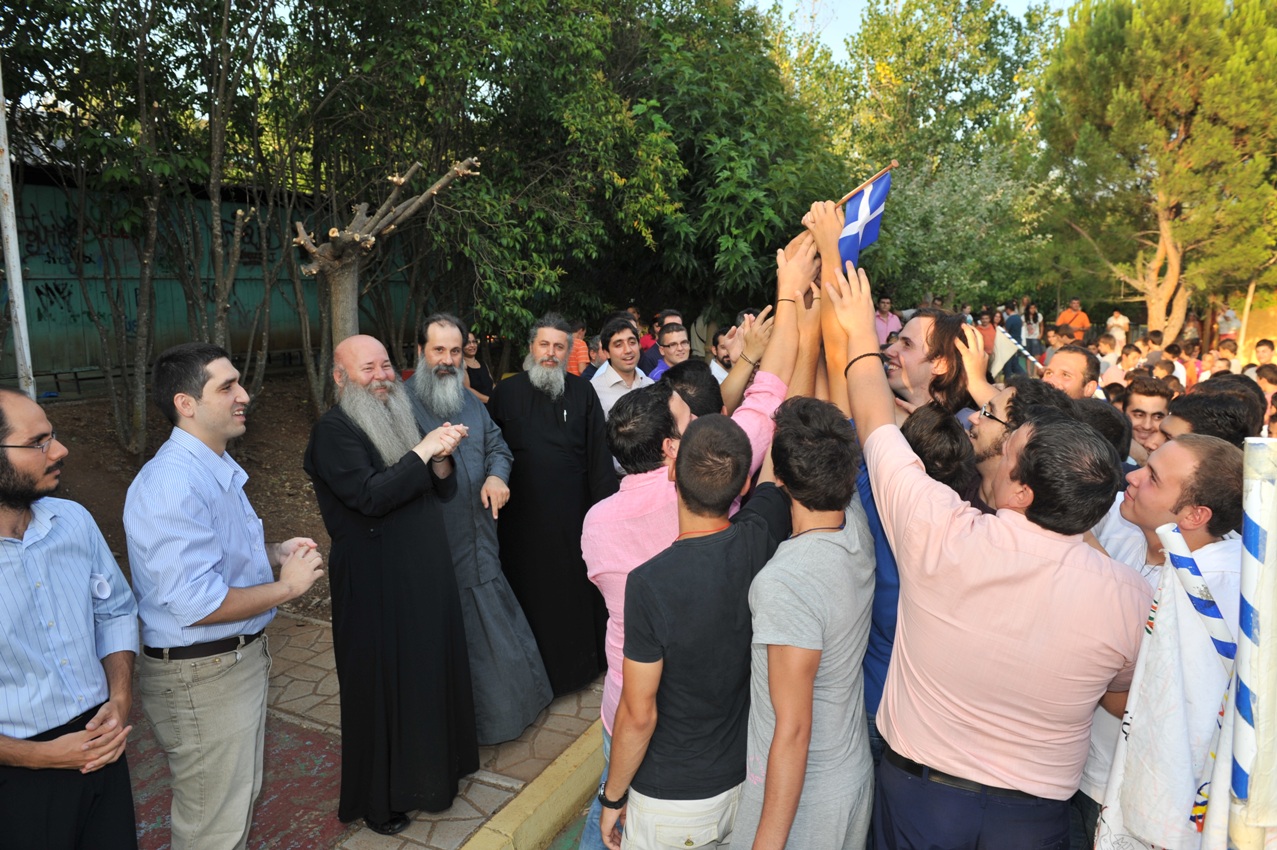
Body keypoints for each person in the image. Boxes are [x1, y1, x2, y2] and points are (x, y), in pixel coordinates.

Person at [822, 255, 1152, 850]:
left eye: (1009, 452)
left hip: (921, 803)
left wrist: (856, 331)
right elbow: (1119, 695)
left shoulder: (942, 533)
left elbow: (872, 420)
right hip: (1033, 820)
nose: (990, 442)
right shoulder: (1130, 595)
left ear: (1022, 491)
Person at [126, 342, 325, 849]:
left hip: (221, 669)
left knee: (230, 811)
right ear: (186, 403)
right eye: (227, 386)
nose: (244, 395)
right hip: (202, 677)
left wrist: (273, 553)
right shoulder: (173, 482)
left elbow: (213, 557)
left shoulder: (209, 467)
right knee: (213, 828)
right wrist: (287, 587)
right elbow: (197, 603)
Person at [303, 334, 478, 834]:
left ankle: (432, 776)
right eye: (368, 368)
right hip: (375, 581)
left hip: (423, 573)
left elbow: (441, 489)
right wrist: (424, 450)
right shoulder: (333, 431)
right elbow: (370, 497)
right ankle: (379, 802)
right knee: (382, 688)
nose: (381, 376)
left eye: (385, 365)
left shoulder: (397, 415)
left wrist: (441, 457)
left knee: (426, 674)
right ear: (340, 378)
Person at [599, 416, 792, 850]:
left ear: (672, 471)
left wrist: (612, 796)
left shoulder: (649, 583)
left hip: (672, 799)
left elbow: (638, 714)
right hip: (743, 783)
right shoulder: (759, 536)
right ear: (743, 485)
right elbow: (771, 483)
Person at [731, 398, 876, 850]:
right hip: (848, 774)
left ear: (779, 477)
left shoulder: (786, 582)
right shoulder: (855, 522)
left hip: (805, 800)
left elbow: (792, 731)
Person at [0, 389, 139, 850]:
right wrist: (38, 757)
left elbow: (115, 611)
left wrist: (120, 698)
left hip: (103, 747)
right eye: (37, 442)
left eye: (52, 435)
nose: (59, 450)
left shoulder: (73, 521)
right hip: (18, 778)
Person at [410, 315, 553, 744]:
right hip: (438, 547)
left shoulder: (468, 400)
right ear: (420, 353)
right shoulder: (400, 405)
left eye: (455, 351)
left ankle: (511, 713)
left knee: (495, 628)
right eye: (438, 350)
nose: (448, 360)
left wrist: (496, 475)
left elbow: (498, 446)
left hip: (482, 540)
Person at [489, 314, 619, 695]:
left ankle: (577, 671)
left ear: (568, 351)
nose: (550, 353)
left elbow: (599, 457)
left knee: (571, 596)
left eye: (558, 346)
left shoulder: (583, 392)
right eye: (544, 344)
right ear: (531, 347)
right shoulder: (506, 394)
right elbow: (490, 451)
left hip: (573, 520)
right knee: (528, 597)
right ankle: (532, 676)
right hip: (520, 524)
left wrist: (602, 515)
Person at [591, 316, 654, 418]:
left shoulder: (649, 384)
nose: (628, 350)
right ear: (606, 353)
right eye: (618, 345)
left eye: (632, 342)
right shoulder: (594, 390)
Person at [1122, 376, 1174, 463]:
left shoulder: (1176, 456)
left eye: (1157, 417)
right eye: (1139, 415)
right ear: (1123, 413)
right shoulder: (1106, 453)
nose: (1147, 426)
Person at [639, 310, 682, 375]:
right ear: (659, 329)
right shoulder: (649, 358)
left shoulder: (684, 350)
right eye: (671, 327)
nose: (677, 331)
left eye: (679, 327)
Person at [464, 330, 495, 403]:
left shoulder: (483, 363)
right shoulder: (462, 366)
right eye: (468, 343)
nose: (472, 345)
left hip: (492, 404)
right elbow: (467, 390)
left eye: (474, 342)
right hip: (477, 406)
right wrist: (490, 400)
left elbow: (492, 384)